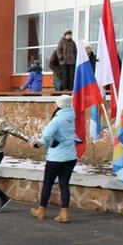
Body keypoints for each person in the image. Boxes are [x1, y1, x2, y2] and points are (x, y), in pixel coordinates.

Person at [30, 95, 77, 223]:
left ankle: (41, 210)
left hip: (56, 157)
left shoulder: (57, 119)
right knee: (64, 185)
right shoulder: (72, 117)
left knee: (48, 184)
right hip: (71, 156)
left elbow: (46, 135)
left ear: (59, 105)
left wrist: (40, 143)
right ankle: (64, 213)